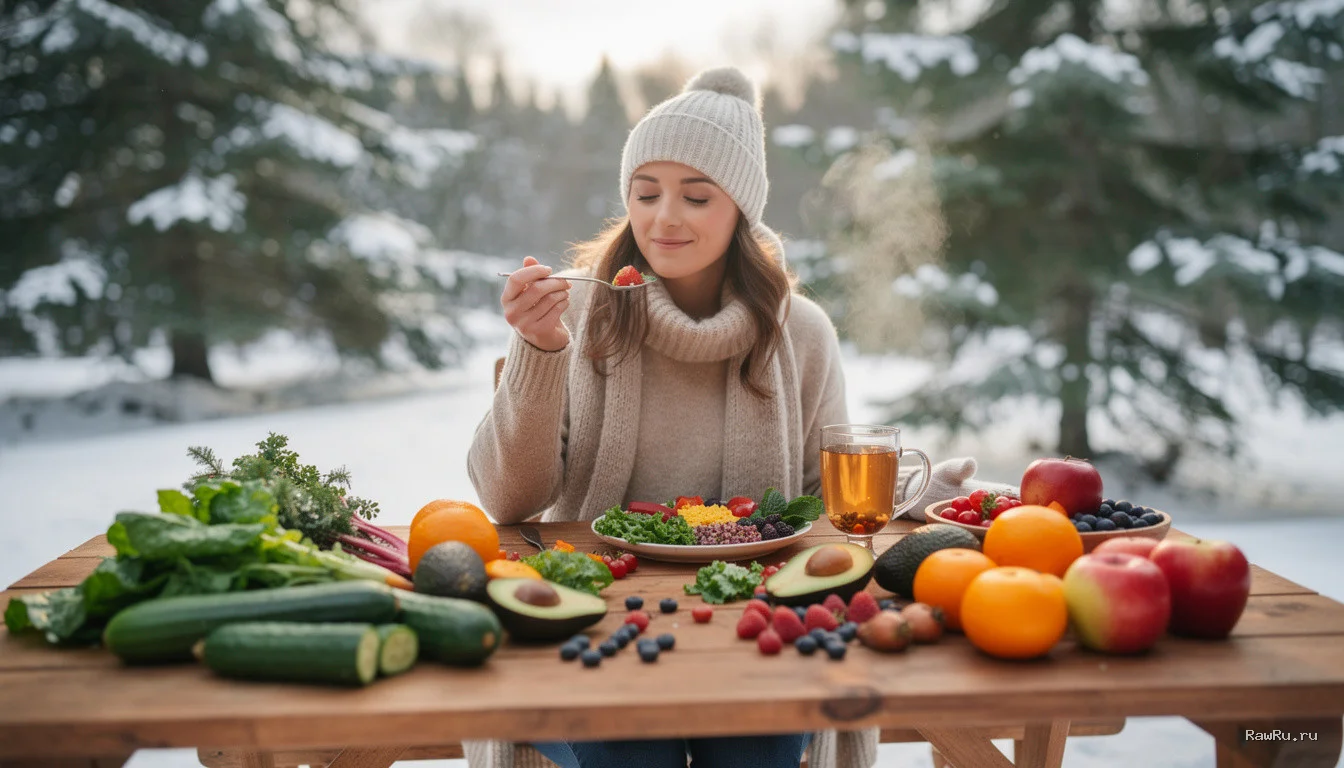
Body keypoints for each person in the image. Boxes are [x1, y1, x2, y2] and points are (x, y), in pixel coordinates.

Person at [463, 66, 1004, 768]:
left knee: (762, 743)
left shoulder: (801, 332)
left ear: (741, 209)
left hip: (755, 625)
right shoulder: (571, 311)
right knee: (636, 755)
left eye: (696, 195)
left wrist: (910, 503)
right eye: (645, 192)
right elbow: (508, 500)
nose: (664, 217)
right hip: (597, 623)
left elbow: (822, 507)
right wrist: (539, 351)